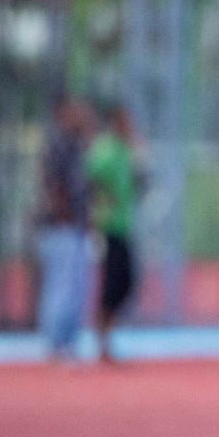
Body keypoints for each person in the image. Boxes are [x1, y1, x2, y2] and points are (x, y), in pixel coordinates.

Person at [36, 96, 94, 361]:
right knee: (61, 286)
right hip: (62, 226)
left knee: (76, 287)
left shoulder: (80, 146)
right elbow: (54, 185)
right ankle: (54, 342)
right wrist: (64, 216)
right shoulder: (59, 144)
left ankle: (68, 342)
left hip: (78, 226)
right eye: (77, 112)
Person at [85, 104, 139, 363]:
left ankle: (107, 333)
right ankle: (101, 340)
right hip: (106, 226)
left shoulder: (124, 151)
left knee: (127, 282)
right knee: (111, 283)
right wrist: (100, 204)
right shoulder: (104, 150)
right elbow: (90, 181)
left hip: (123, 226)